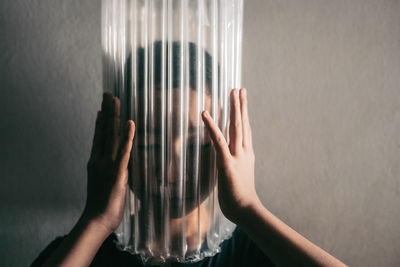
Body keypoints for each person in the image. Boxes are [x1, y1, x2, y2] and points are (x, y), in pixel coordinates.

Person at [32, 88, 346, 267]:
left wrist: (250, 208)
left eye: (196, 142)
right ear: (118, 146)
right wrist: (96, 222)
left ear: (226, 143)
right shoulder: (82, 253)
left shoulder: (256, 255)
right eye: (152, 142)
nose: (171, 173)